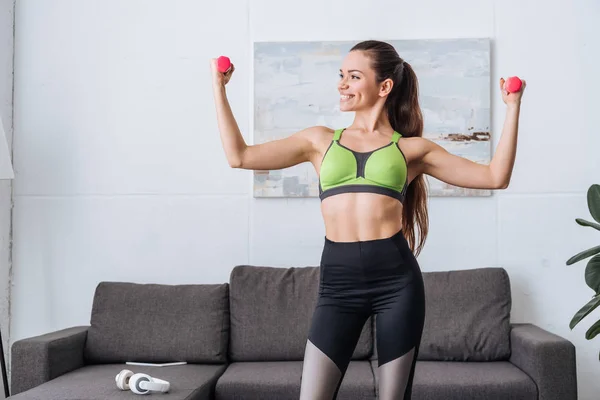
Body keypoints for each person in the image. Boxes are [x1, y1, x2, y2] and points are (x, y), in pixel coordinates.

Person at [210, 40, 525, 400]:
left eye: (354, 76)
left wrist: (513, 107)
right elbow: (240, 156)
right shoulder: (319, 140)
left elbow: (495, 177)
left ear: (384, 87)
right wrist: (219, 89)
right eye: (341, 75)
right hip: (337, 287)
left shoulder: (411, 150)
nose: (342, 84)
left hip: (397, 285)